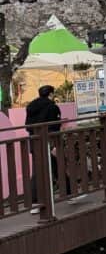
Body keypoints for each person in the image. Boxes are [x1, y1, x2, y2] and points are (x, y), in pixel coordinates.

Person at [26, 85, 62, 213]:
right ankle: (70, 194)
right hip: (48, 142)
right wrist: (53, 145)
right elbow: (55, 127)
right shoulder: (52, 107)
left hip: (35, 142)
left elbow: (28, 126)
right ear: (51, 94)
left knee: (37, 172)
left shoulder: (31, 107)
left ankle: (35, 203)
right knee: (59, 167)